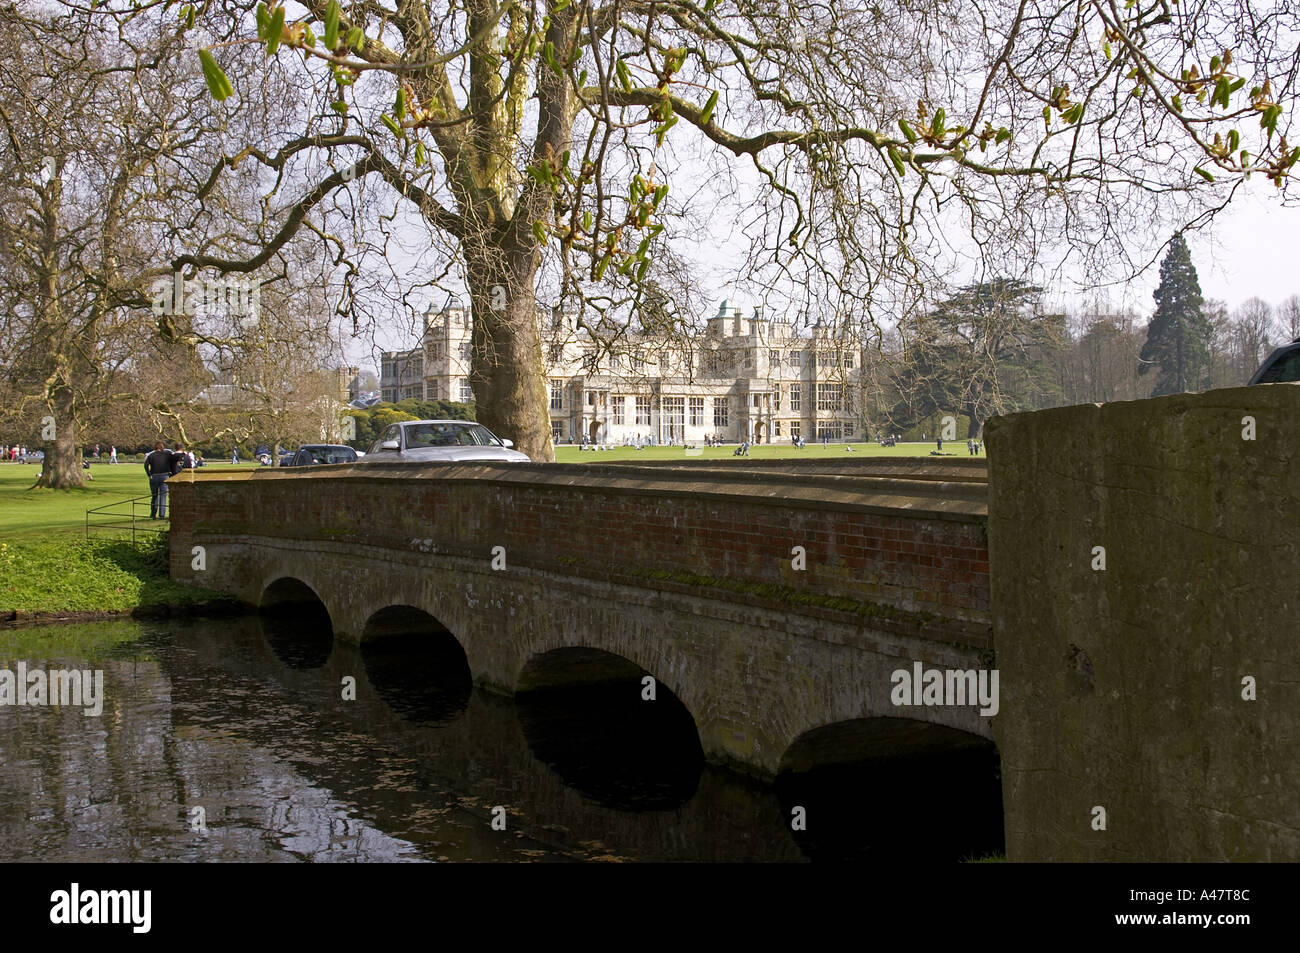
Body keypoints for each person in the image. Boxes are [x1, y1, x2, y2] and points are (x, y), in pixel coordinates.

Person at [144, 442, 174, 519]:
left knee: (154, 496)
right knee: (163, 496)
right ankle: (162, 514)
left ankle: (153, 514)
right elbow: (173, 461)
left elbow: (146, 465)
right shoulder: (167, 454)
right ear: (162, 447)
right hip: (164, 475)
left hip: (154, 476)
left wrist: (149, 474)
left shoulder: (151, 455)